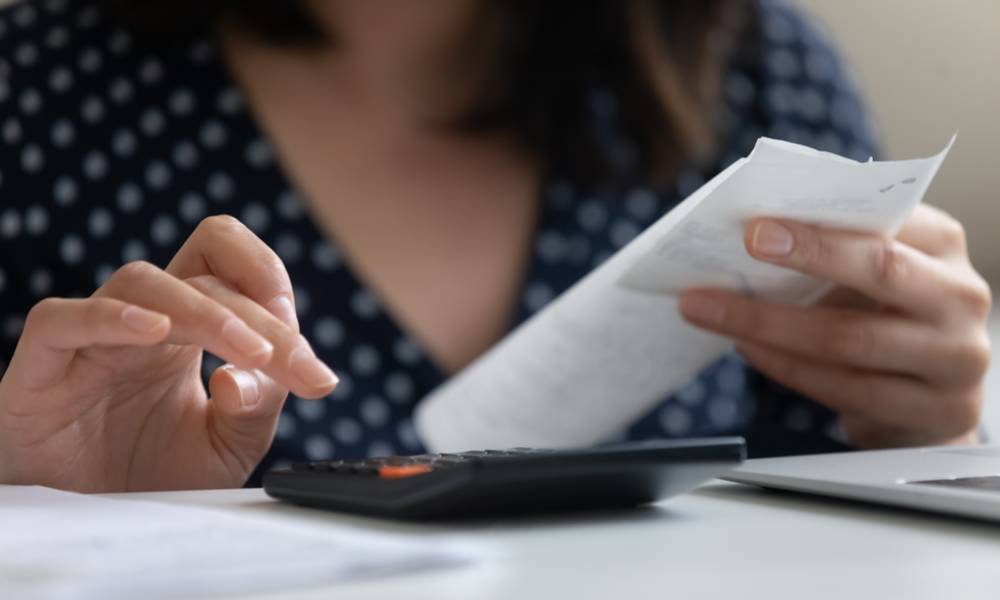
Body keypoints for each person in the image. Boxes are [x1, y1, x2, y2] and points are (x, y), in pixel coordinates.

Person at [0, 0, 991, 493]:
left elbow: (831, 541)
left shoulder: (754, 71)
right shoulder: (32, 94)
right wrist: (38, 527)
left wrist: (934, 439)